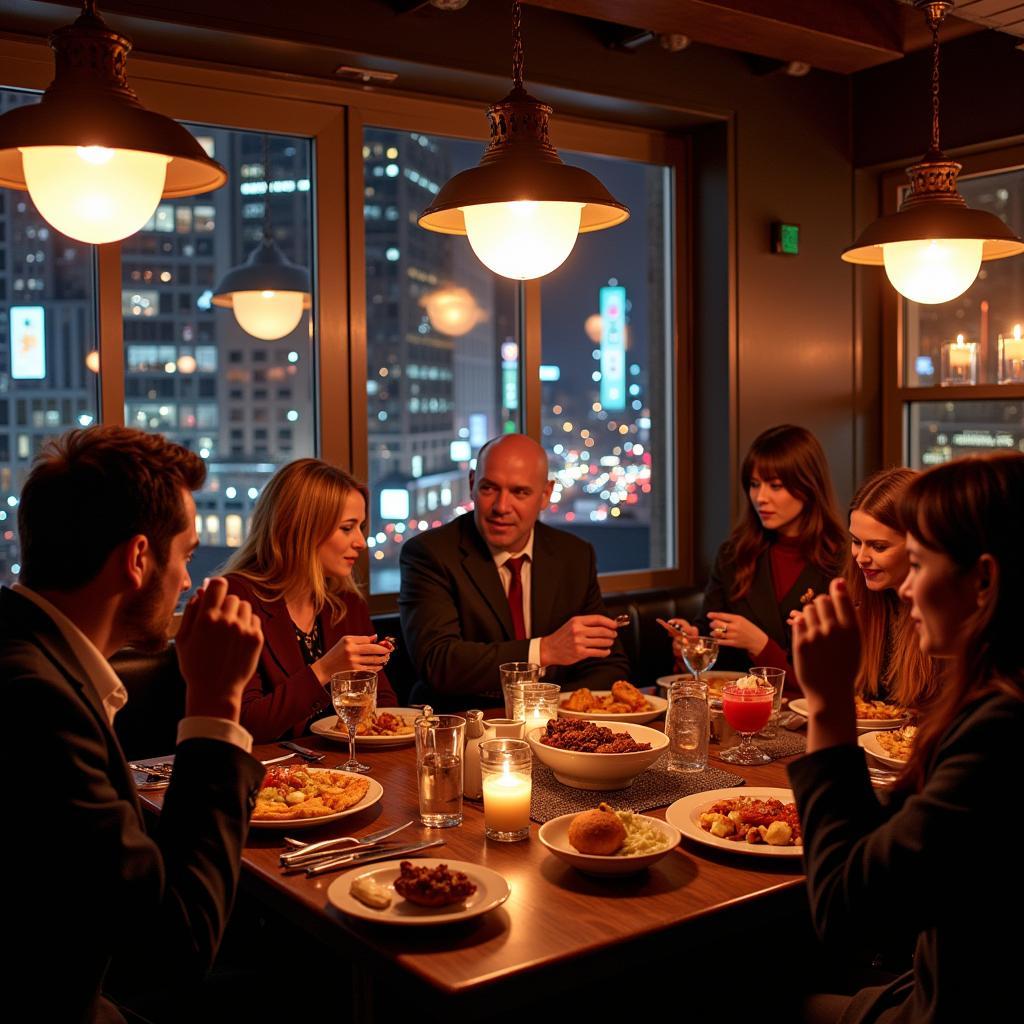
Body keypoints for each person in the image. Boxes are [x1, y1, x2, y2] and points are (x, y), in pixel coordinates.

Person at [1, 426, 265, 1023]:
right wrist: (217, 703)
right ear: (139, 559)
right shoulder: (36, 705)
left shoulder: (28, 652)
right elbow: (174, 947)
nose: (188, 583)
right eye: (188, 556)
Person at [790, 451, 1024, 1022]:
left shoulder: (1002, 731)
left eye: (916, 564)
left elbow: (847, 913)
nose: (903, 590)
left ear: (985, 579)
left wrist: (829, 706)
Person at [399, 434, 630, 706]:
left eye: (520, 492)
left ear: (546, 495)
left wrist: (554, 709)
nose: (501, 507)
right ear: (472, 483)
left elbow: (609, 664)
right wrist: (544, 651)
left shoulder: (574, 555)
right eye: (489, 489)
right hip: (461, 728)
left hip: (552, 727)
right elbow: (438, 662)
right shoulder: (430, 554)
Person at [223, 458, 397, 744]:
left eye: (361, 526)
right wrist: (325, 669)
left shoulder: (345, 602)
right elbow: (244, 725)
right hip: (269, 776)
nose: (360, 542)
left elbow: (384, 703)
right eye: (346, 528)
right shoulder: (236, 599)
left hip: (342, 772)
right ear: (302, 528)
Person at [665, 424, 846, 690]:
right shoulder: (734, 555)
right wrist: (691, 643)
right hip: (735, 711)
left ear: (809, 486)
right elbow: (708, 635)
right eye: (754, 484)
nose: (761, 497)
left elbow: (836, 681)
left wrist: (760, 645)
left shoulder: (844, 561)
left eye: (776, 486)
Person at [845, 467, 936, 711]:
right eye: (856, 541)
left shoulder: (943, 617)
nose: (861, 557)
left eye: (878, 547)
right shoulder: (867, 600)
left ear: (917, 545)